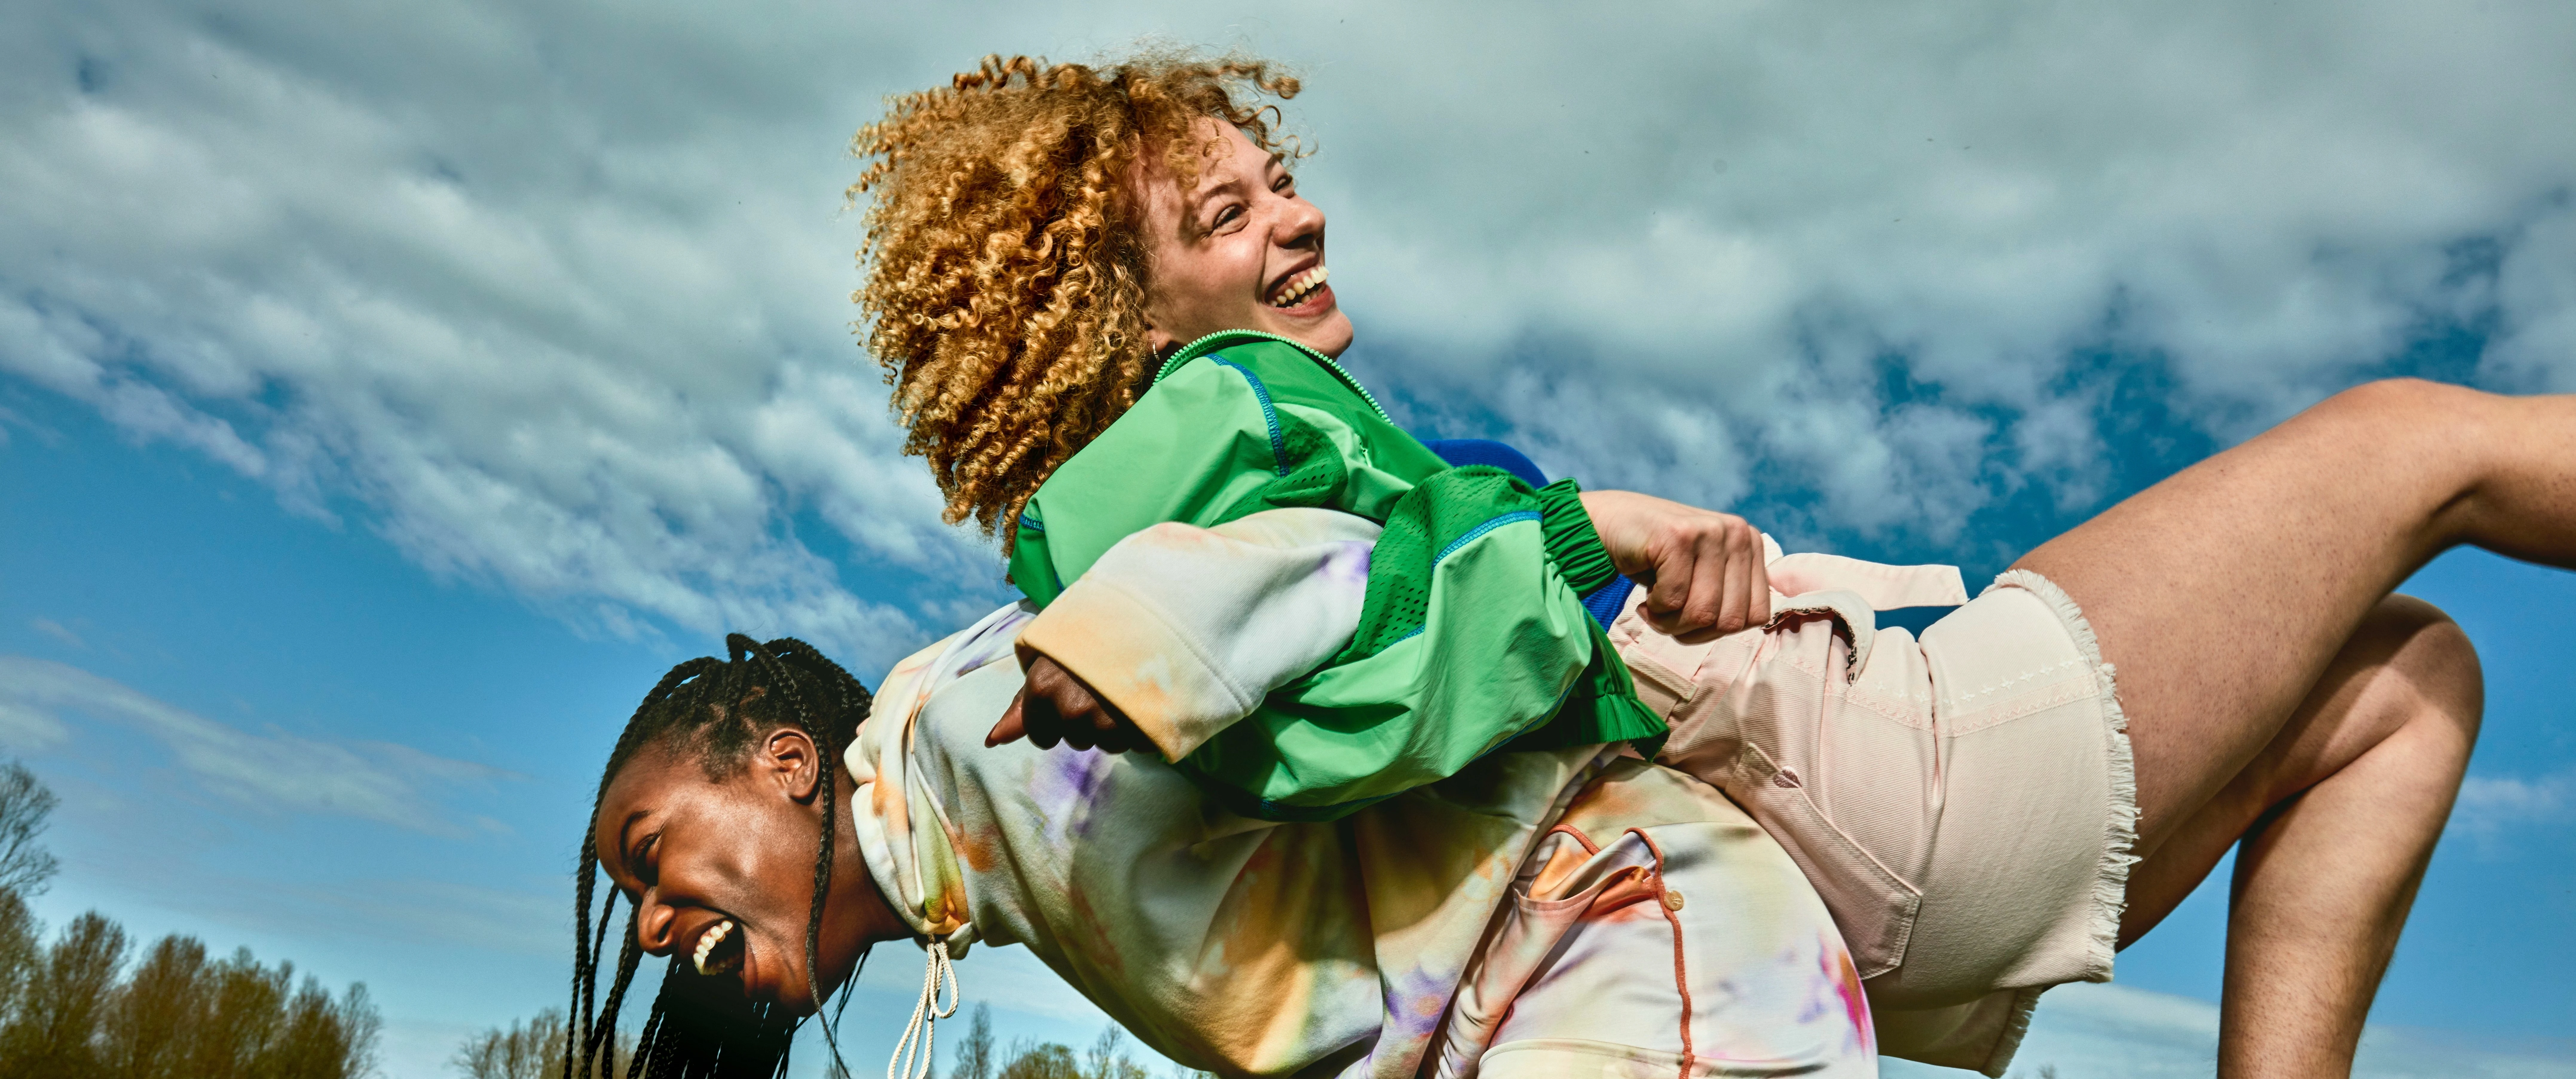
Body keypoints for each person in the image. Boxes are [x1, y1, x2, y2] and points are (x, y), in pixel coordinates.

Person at [839, 50, 2542, 1079]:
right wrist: (1588, 526)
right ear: (1114, 320)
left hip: (1824, 897)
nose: (1299, 218)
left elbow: (1316, 664)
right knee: (2409, 442)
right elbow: (1338, 648)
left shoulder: (1248, 472)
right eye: (1224, 217)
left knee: (2400, 683)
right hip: (1877, 778)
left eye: (1280, 183)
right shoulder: (1219, 418)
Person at [573, 630, 1876, 1079]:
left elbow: (1341, 570)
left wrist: (1583, 535)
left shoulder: (990, 714)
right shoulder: (975, 842)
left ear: (789, 765)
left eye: (647, 853)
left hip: (1623, 929)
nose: (642, 927)